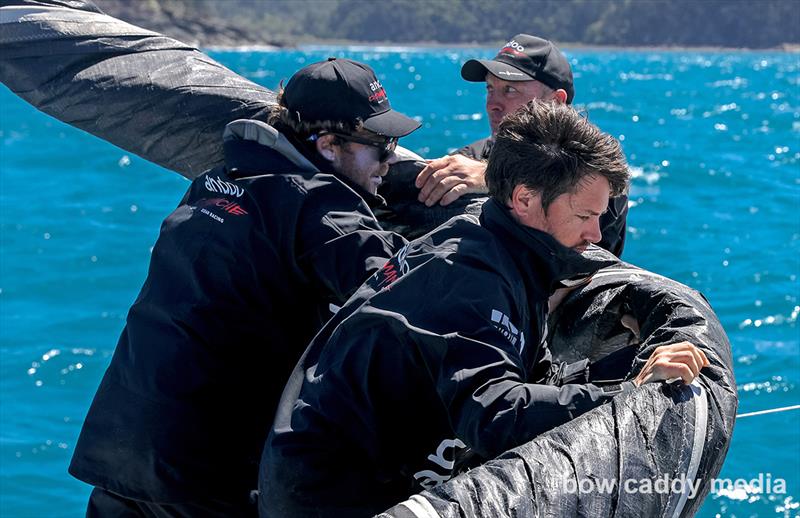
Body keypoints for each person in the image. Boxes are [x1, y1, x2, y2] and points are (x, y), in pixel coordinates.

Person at [259, 100, 708, 517]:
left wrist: (623, 368)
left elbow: (523, 378)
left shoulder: (500, 248)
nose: (596, 236)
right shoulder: (472, 280)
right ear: (526, 200)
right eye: (584, 216)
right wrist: (628, 390)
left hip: (353, 472)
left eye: (601, 217)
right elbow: (494, 415)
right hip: (329, 499)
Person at [68, 57, 419, 516]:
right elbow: (411, 289)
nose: (392, 160)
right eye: (381, 144)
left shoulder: (213, 182)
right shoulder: (320, 204)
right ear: (329, 145)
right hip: (202, 473)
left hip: (121, 448)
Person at [401, 34, 627, 254]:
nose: (492, 105)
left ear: (556, 101)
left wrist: (490, 177)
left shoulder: (598, 171)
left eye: (510, 90)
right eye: (490, 89)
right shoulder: (467, 160)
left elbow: (594, 217)